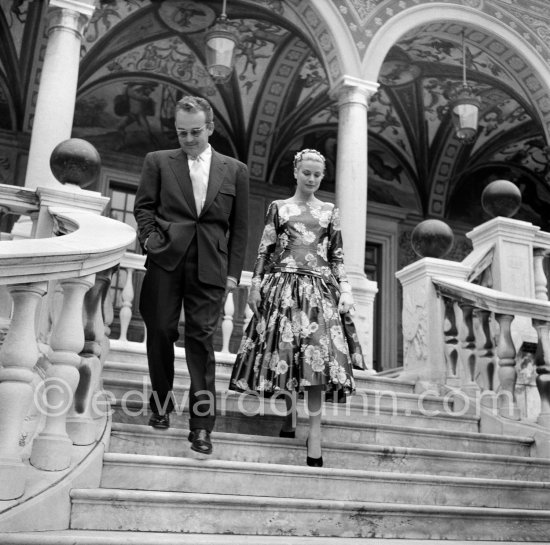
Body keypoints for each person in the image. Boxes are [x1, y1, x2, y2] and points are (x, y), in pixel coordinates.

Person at [229, 148, 363, 467]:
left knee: (316, 359)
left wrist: (346, 290)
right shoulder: (279, 207)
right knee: (287, 356)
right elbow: (265, 249)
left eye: (318, 174)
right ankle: (289, 417)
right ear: (296, 172)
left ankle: (314, 435)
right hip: (282, 287)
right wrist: (255, 286)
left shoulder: (330, 211)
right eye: (307, 173)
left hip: (319, 290)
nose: (313, 179)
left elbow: (337, 257)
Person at [134, 96, 249, 456]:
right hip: (166, 259)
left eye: (195, 132)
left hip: (210, 267)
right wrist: (152, 240)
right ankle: (161, 406)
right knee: (161, 331)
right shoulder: (158, 161)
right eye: (181, 132)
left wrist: (232, 273)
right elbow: (143, 207)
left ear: (210, 128)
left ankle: (201, 427)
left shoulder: (235, 170)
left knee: (201, 342)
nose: (187, 139)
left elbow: (240, 227)